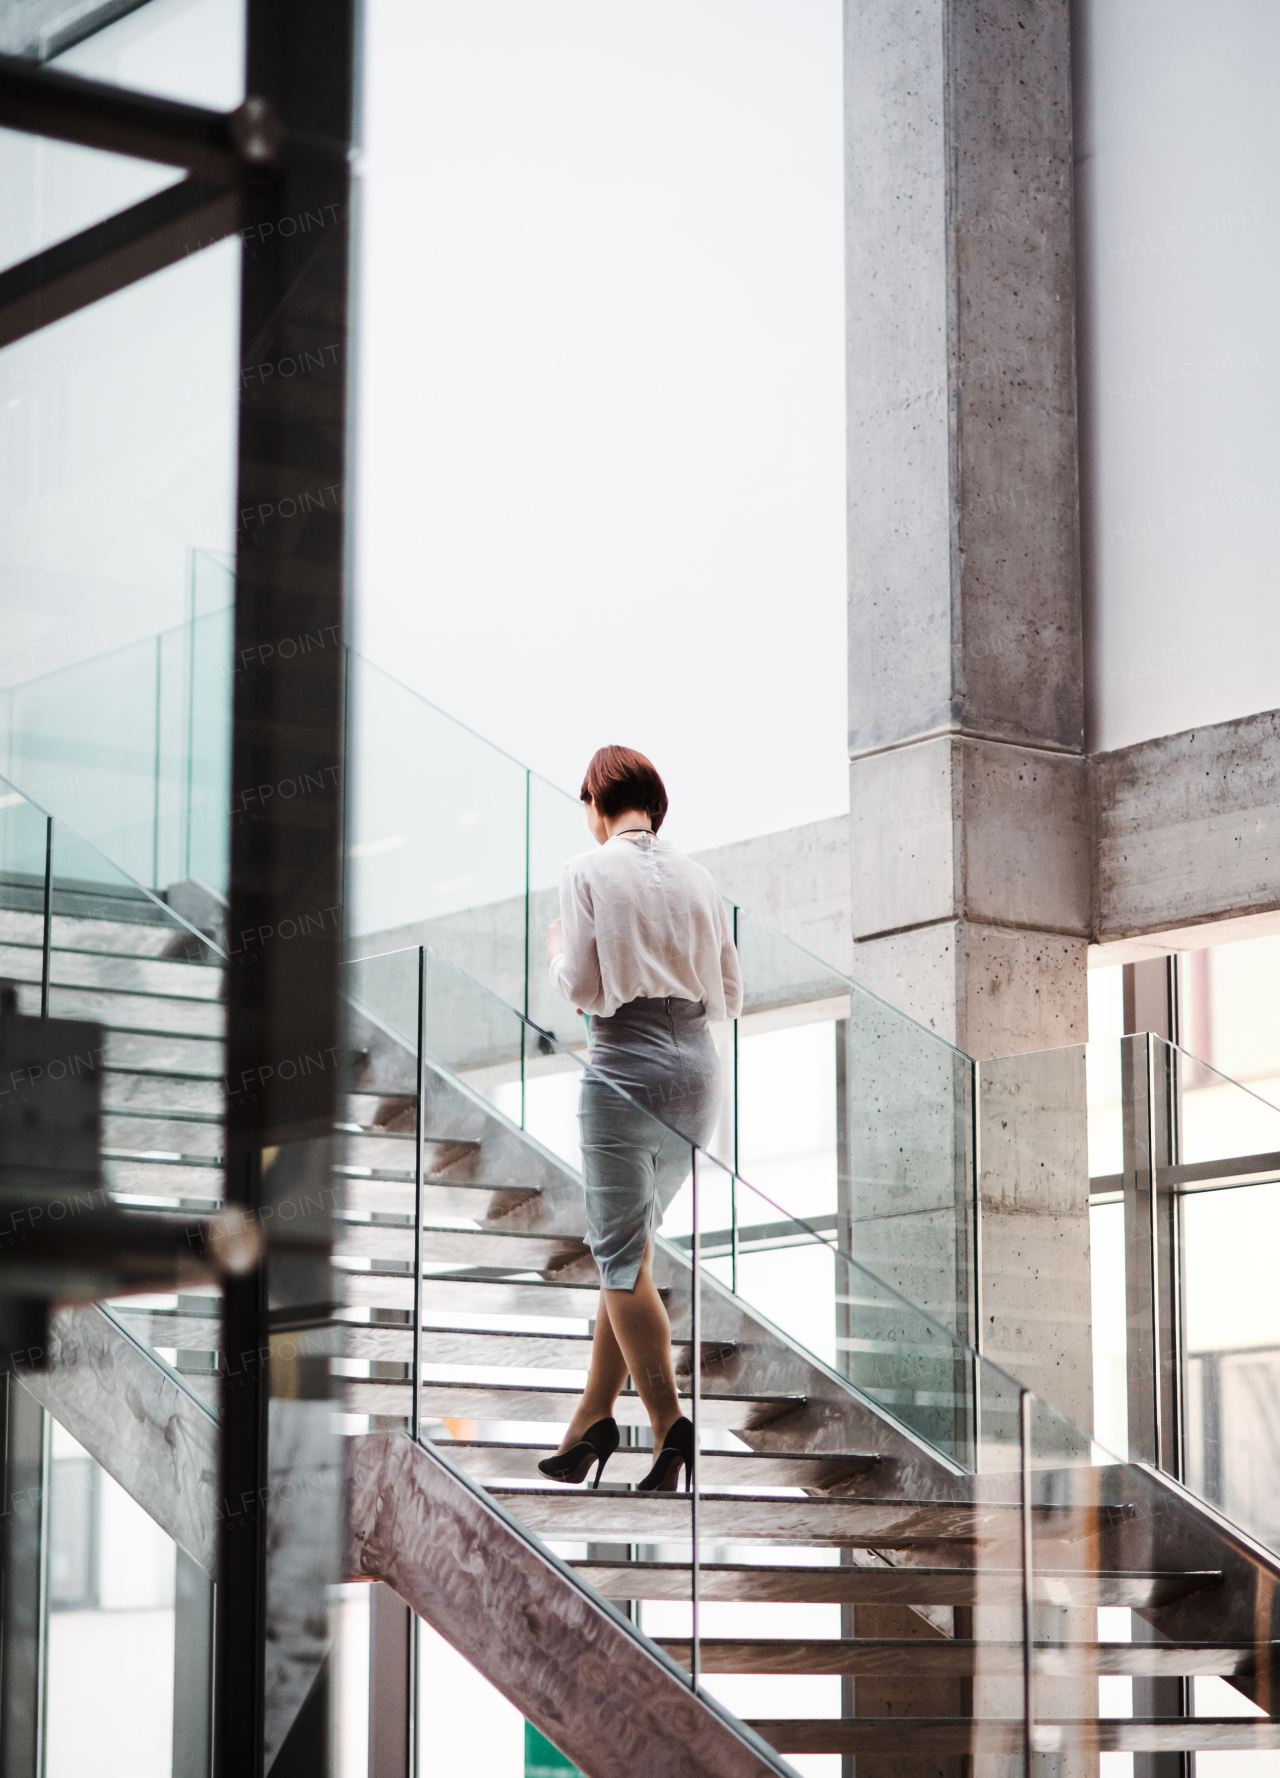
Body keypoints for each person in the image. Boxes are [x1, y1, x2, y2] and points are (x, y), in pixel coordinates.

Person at [538, 745, 742, 1492]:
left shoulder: (585, 871)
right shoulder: (700, 877)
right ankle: (592, 1419)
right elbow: (729, 987)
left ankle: (667, 1428)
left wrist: (558, 953)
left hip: (624, 1063)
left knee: (620, 1261)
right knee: (633, 1257)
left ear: (597, 801)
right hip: (698, 1070)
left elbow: (585, 987)